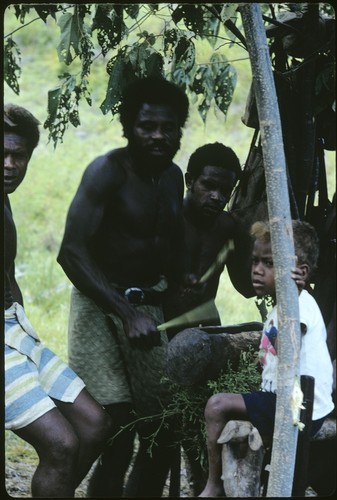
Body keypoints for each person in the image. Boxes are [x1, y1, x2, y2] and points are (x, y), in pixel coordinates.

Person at [57, 76, 190, 497]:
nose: (158, 136)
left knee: (161, 424)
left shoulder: (173, 178)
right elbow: (71, 253)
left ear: (179, 130)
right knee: (115, 423)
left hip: (148, 306)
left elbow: (164, 243)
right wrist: (125, 311)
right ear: (128, 128)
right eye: (147, 126)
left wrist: (178, 284)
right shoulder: (106, 173)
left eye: (167, 127)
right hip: (100, 303)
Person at [4, 103, 113, 498]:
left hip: (15, 329)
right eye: (2, 153)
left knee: (94, 425)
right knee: (61, 444)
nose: (9, 164)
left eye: (19, 156)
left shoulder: (5, 198)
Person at [198, 219, 334, 497]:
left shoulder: (299, 308)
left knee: (216, 406)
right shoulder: (284, 305)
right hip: (287, 399)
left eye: (270, 264)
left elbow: (290, 342)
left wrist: (293, 292)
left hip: (299, 408)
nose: (257, 271)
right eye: (255, 261)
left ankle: (213, 484)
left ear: (300, 272)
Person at [163, 142, 253, 341]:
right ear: (190, 181)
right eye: (209, 186)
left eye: (225, 190)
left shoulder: (229, 227)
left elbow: (246, 286)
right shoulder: (167, 218)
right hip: (158, 326)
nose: (216, 197)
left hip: (204, 328)